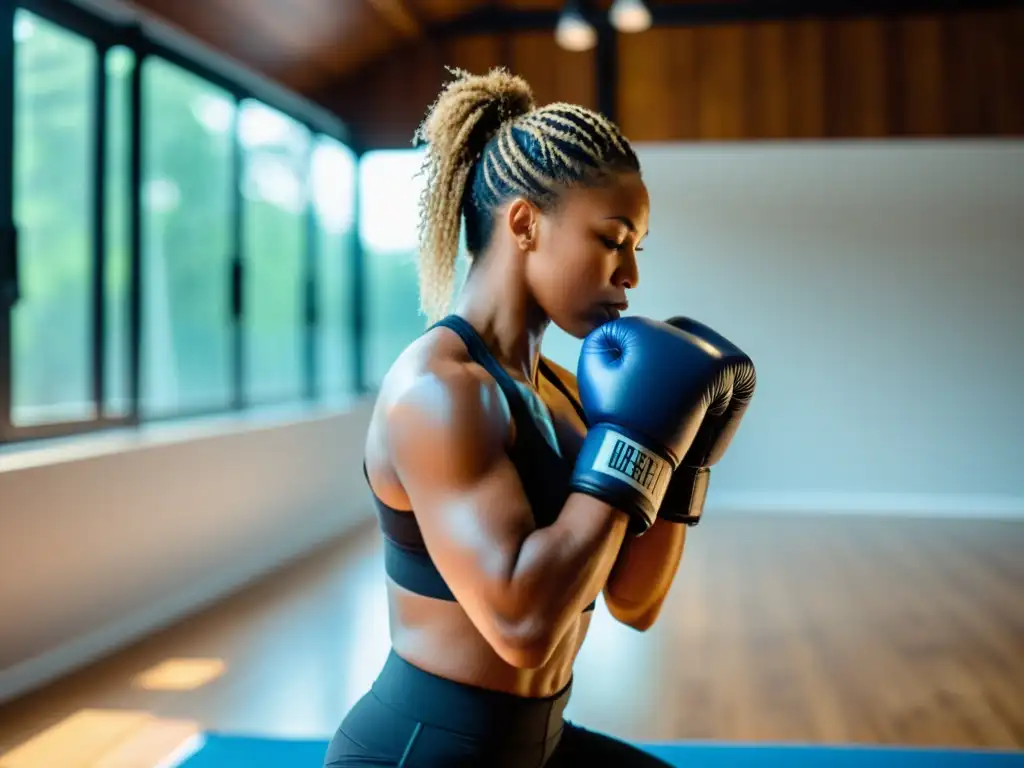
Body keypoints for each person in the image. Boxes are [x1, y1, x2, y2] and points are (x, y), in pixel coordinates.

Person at [323, 67, 754, 768]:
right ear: (524, 223)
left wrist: (683, 458)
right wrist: (629, 448)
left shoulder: (568, 390)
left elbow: (634, 601)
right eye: (612, 239)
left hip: (539, 746)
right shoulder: (440, 390)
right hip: (425, 753)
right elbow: (522, 626)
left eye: (636, 248)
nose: (630, 275)